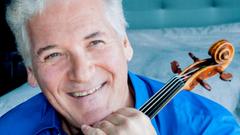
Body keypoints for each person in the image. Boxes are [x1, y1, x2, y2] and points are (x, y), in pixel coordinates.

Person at [0, 0, 239, 134]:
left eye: (95, 42)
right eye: (53, 55)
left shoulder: (210, 127)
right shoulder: (9, 129)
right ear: (31, 71)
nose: (82, 74)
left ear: (125, 44)